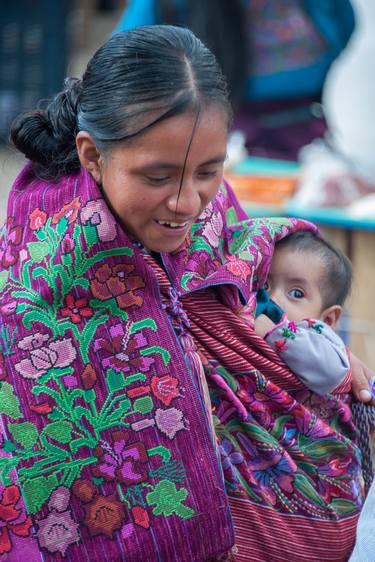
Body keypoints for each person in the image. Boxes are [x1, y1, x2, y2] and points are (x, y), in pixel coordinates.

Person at [0, 25, 371, 562]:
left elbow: (255, 295)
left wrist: (318, 350)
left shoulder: (214, 215)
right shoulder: (41, 286)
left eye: (208, 171)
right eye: (158, 176)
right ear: (93, 155)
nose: (186, 202)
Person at [115, 0, 356, 160]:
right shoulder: (170, 6)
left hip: (307, 142)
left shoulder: (317, 6)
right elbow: (124, 61)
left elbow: (345, 31)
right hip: (215, 143)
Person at [255, 230, 352, 395]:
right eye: (266, 285)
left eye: (296, 293)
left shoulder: (319, 337)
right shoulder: (250, 311)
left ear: (328, 319)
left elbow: (332, 371)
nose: (273, 298)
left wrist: (276, 333)